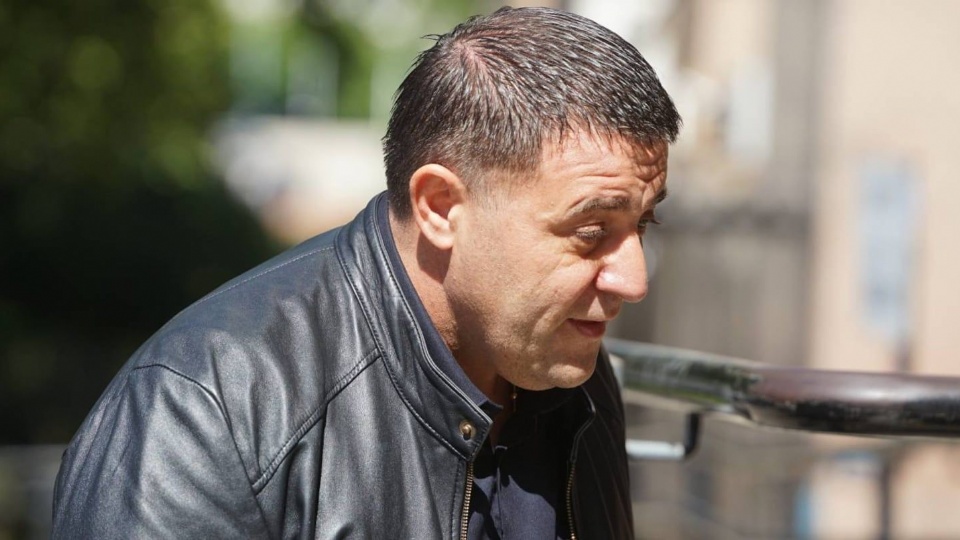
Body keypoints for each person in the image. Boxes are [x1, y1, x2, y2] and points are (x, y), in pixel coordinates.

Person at [52, 6, 680, 539]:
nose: (633, 280)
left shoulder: (571, 377)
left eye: (643, 224)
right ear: (440, 207)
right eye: (591, 231)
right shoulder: (206, 408)